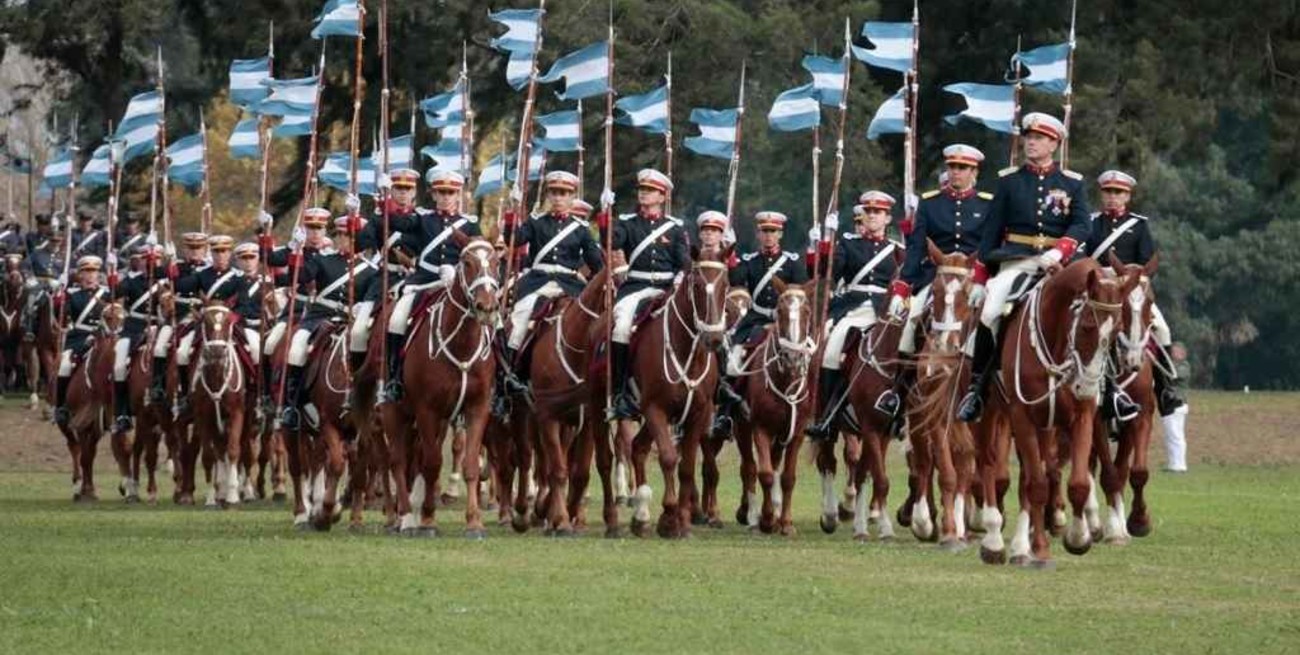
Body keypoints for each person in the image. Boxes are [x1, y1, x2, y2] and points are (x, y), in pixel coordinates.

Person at [957, 112, 1092, 422]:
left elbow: (1083, 224)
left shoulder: (1072, 183)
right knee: (990, 313)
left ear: (1054, 144)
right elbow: (991, 231)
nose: (1031, 142)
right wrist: (980, 279)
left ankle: (1109, 389)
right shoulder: (1009, 181)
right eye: (1029, 137)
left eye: (1040, 138)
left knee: (1096, 311)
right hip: (1017, 263)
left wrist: (1060, 251)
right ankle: (977, 389)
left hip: (1060, 266)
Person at [1083, 169, 1185, 420]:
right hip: (1099, 290)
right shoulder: (1090, 223)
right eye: (1108, 192)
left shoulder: (1139, 225)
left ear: (1127, 197)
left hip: (1130, 290)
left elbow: (1146, 264)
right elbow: (1082, 258)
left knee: (1162, 330)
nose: (1112, 197)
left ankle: (1165, 389)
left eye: (1118, 193)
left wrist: (1130, 283)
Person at [805, 193, 907, 440]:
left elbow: (909, 277)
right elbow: (823, 271)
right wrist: (824, 243)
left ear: (887, 218)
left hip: (886, 311)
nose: (872, 216)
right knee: (830, 351)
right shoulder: (848, 244)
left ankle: (903, 413)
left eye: (878, 212)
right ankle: (827, 417)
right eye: (868, 211)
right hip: (852, 309)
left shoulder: (897, 249)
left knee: (909, 349)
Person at [379, 169, 481, 402]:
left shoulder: (470, 224)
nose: (446, 197)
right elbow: (397, 222)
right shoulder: (422, 218)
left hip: (458, 285)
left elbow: (479, 252)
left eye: (450, 193)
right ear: (433, 195)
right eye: (441, 193)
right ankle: (394, 377)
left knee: (490, 321)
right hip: (424, 282)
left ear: (458, 195)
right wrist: (383, 200)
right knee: (396, 318)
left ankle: (501, 377)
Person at [500, 171, 604, 393]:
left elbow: (595, 261)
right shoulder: (536, 222)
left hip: (570, 285)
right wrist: (512, 212)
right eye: (554, 193)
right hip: (538, 282)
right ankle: (510, 374)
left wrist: (606, 278)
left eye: (564, 193)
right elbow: (515, 239)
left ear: (571, 197)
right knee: (520, 318)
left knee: (592, 320)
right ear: (548, 195)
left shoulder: (581, 228)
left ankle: (596, 372)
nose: (558, 198)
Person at [600, 168, 689, 420]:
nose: (644, 194)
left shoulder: (674, 228)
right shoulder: (628, 223)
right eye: (642, 190)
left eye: (650, 191)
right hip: (636, 289)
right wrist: (606, 216)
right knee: (621, 326)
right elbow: (612, 243)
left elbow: (683, 260)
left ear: (662, 197)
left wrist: (681, 277)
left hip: (666, 290)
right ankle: (620, 393)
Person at [278, 216, 377, 430]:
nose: (345, 240)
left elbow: (373, 296)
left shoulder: (370, 270)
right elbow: (300, 276)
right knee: (296, 349)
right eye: (341, 235)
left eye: (350, 236)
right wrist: (296, 251)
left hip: (351, 322)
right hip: (319, 318)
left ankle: (376, 398)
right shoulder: (322, 260)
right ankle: (291, 406)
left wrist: (363, 306)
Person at [717, 211, 807, 433]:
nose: (769, 236)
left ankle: (813, 409)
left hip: (786, 322)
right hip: (755, 319)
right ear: (758, 234)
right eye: (764, 231)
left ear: (780, 234)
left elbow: (801, 289)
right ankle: (726, 414)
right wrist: (730, 254)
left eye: (773, 232)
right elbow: (737, 280)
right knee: (732, 361)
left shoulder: (792, 262)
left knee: (811, 357)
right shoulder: (750, 261)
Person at [898, 144, 992, 355]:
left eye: (962, 167)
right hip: (936, 276)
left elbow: (991, 244)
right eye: (952, 166)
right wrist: (904, 284)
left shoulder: (987, 204)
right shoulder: (930, 203)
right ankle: (901, 381)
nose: (956, 171)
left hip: (975, 276)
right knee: (910, 322)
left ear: (974, 172)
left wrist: (982, 275)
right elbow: (916, 247)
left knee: (995, 318)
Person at [261, 209, 331, 415]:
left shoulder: (330, 254)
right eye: (311, 228)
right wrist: (267, 231)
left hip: (323, 311)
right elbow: (270, 259)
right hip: (296, 309)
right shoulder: (295, 249)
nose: (315, 233)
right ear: (304, 229)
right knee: (271, 343)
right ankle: (267, 394)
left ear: (325, 230)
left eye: (319, 229)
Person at [149, 232, 209, 407]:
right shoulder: (177, 267)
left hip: (201, 318)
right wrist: (153, 254)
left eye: (198, 248)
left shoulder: (210, 269)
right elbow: (154, 273)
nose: (195, 252)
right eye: (191, 248)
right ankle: (158, 386)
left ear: (205, 249)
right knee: (159, 347)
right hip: (178, 316)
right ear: (185, 249)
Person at [112, 244, 166, 432]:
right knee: (119, 365)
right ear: (141, 261)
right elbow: (115, 293)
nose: (151, 262)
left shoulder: (169, 282)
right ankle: (122, 413)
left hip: (160, 328)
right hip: (133, 328)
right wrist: (112, 277)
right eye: (147, 259)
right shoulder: (132, 281)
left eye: (156, 259)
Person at [53, 256, 108, 428]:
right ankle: (61, 407)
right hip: (78, 337)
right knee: (65, 365)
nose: (90, 276)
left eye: (94, 272)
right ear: (80, 275)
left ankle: (122, 407)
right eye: (86, 272)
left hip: (103, 336)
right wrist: (57, 299)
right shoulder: (72, 295)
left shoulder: (108, 293)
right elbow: (61, 318)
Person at [1162, 343, 1190, 472]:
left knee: (1176, 435)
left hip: (1178, 403)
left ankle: (1179, 465)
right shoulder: (1173, 364)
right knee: (1171, 435)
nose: (1174, 353)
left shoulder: (1184, 366)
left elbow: (1173, 374)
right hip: (1170, 404)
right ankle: (1174, 464)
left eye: (1177, 351)